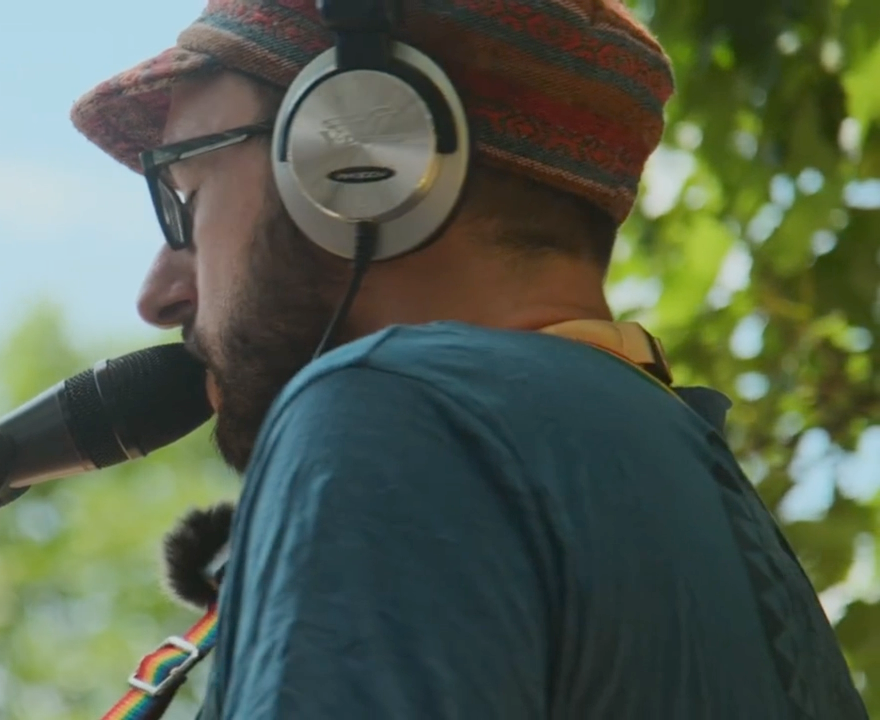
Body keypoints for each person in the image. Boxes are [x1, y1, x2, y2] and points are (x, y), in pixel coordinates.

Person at [71, 0, 868, 717]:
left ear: (358, 165)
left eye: (185, 194)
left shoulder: (395, 414)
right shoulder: (695, 492)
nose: (158, 295)